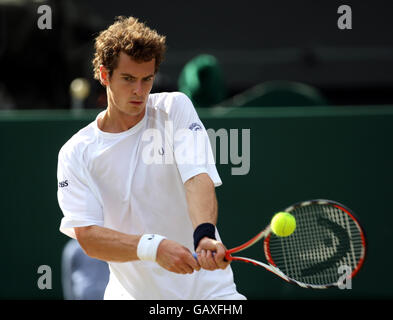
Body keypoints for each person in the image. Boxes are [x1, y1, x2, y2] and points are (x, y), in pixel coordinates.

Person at [57, 16, 246, 300]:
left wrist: (204, 234)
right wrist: (153, 248)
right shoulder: (76, 152)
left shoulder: (175, 108)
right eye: (128, 79)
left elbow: (197, 178)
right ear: (104, 75)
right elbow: (89, 237)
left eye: (147, 79)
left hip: (211, 294)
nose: (139, 91)